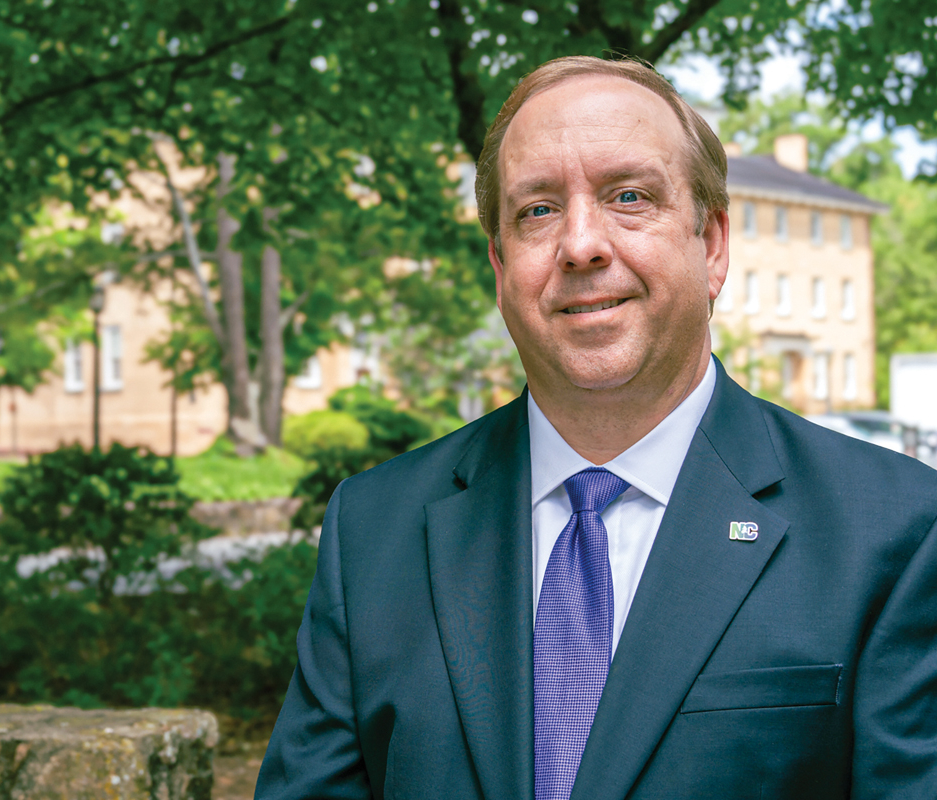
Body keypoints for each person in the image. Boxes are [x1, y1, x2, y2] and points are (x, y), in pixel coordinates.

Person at [254, 56, 937, 800]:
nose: (581, 244)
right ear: (499, 262)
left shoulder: (893, 533)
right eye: (538, 211)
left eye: (629, 195)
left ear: (712, 245)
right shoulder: (373, 532)